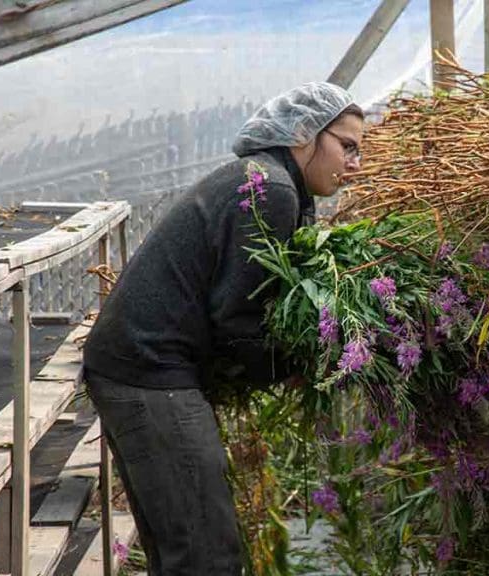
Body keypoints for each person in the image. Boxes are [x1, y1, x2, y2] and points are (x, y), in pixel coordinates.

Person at [81, 82, 364, 575]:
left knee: (183, 550)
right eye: (348, 146)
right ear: (305, 134)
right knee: (206, 555)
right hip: (149, 370)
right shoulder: (271, 189)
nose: (356, 163)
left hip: (139, 367)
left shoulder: (274, 183)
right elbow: (238, 319)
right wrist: (299, 365)